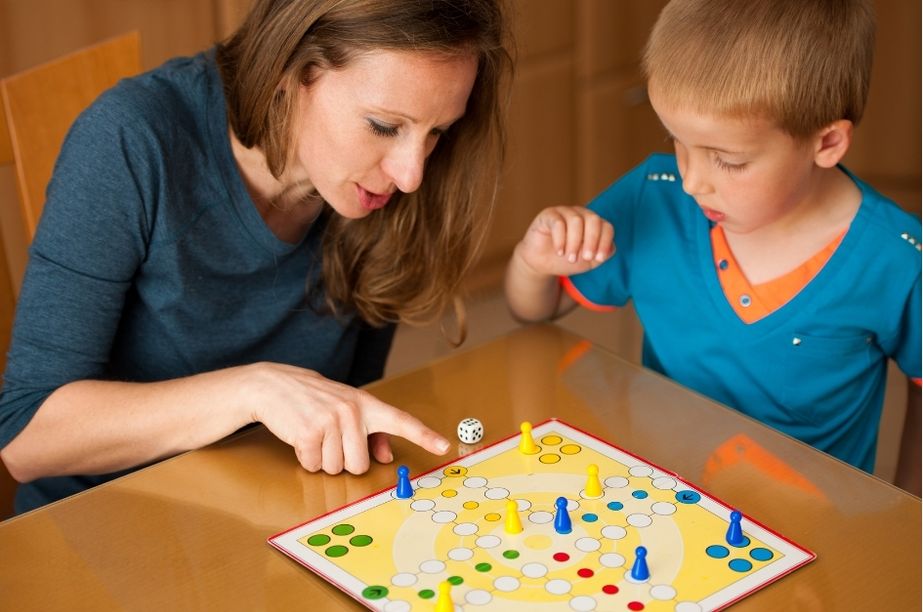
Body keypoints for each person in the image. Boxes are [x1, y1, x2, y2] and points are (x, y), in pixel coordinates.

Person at [0, 0, 513, 514]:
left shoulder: (391, 190)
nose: (410, 175)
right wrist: (251, 391)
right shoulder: (132, 138)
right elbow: (25, 436)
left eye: (437, 132)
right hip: (97, 527)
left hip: (264, 510)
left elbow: (349, 401)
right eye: (383, 126)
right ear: (291, 70)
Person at [506, 0, 921, 493]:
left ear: (827, 143)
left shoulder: (898, 259)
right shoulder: (651, 195)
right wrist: (532, 264)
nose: (691, 181)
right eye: (678, 143)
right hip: (665, 503)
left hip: (819, 539)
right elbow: (537, 311)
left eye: (728, 160)